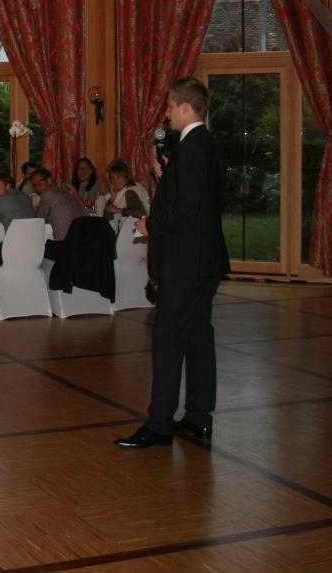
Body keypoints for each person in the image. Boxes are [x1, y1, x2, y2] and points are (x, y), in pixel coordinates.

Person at [116, 76, 229, 450]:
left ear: (185, 107)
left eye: (168, 106)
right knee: (198, 336)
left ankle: (159, 424)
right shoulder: (207, 144)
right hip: (206, 259)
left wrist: (152, 223)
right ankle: (198, 416)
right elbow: (206, 198)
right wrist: (167, 178)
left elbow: (187, 208)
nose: (166, 114)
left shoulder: (189, 147)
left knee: (167, 339)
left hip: (184, 261)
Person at [31, 168, 86, 261]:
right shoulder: (66, 193)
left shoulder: (48, 194)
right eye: (34, 185)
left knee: (33, 249)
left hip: (63, 245)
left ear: (49, 180)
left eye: (39, 183)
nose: (36, 188)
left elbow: (38, 219)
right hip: (80, 243)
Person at [100, 158, 150, 223]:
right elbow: (107, 218)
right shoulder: (120, 192)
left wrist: (118, 210)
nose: (115, 181)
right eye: (113, 178)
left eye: (119, 177)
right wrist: (112, 198)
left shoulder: (129, 192)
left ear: (126, 176)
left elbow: (142, 214)